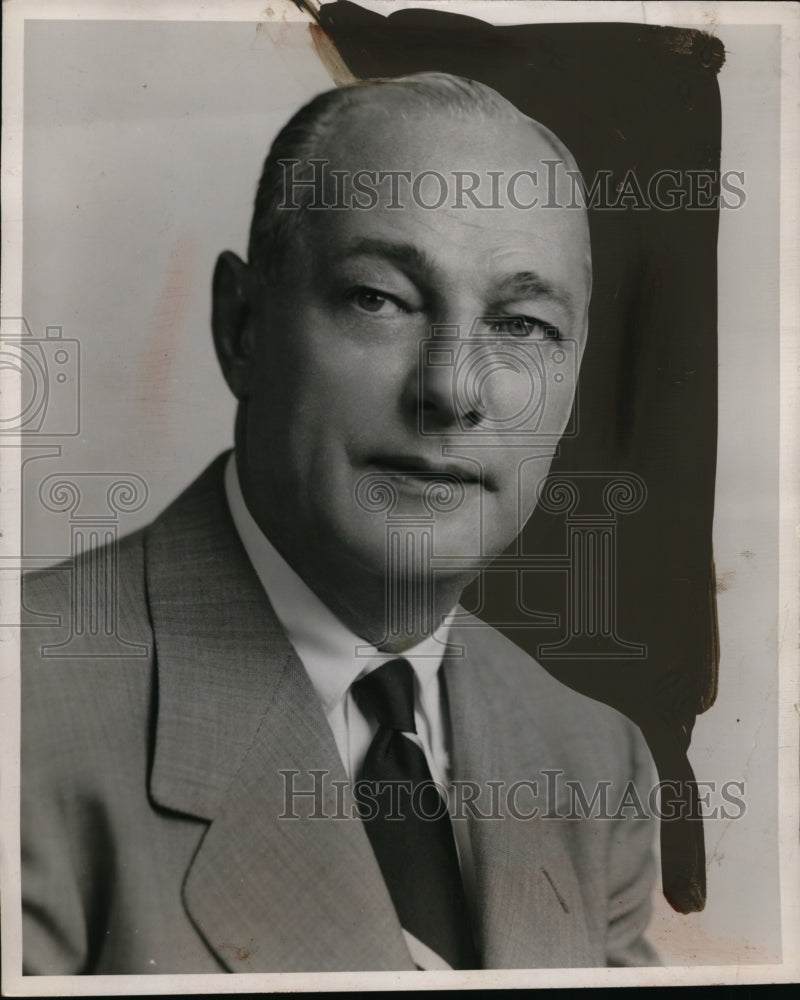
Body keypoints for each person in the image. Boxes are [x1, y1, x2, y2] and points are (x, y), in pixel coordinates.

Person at [20, 72, 658, 974]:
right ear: (243, 327)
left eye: (519, 325)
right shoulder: (30, 717)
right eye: (380, 300)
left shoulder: (594, 764)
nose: (451, 389)